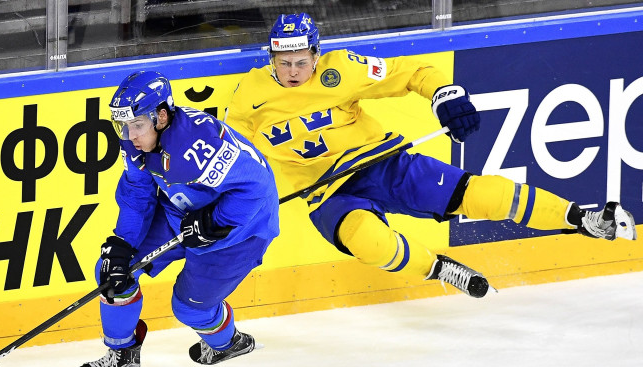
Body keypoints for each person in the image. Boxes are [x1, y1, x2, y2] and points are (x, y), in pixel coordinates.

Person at [224, 13, 637, 299]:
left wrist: (446, 97)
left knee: (483, 197)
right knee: (367, 240)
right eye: (283, 63)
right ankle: (441, 270)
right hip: (326, 192)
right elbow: (231, 157)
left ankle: (584, 220)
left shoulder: (342, 69)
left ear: (316, 54)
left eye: (301, 61)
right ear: (271, 58)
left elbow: (414, 73)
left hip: (383, 163)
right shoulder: (249, 97)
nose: (293, 71)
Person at [73, 70, 279, 367]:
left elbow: (257, 186)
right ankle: (122, 356)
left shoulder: (198, 145)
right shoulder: (136, 144)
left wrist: (217, 221)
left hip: (238, 235)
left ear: (162, 116)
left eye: (137, 124)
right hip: (178, 216)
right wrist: (122, 242)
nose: (130, 135)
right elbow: (138, 194)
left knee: (189, 309)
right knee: (113, 271)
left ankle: (227, 343)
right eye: (123, 126)